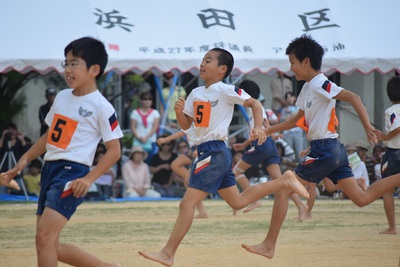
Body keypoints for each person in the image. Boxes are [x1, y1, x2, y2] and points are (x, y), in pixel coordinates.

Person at [138, 47, 309, 266]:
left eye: (208, 60)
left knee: (186, 204)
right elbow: (186, 126)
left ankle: (168, 253)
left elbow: (255, 103)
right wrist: (180, 114)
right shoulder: (195, 93)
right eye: (202, 60)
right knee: (237, 202)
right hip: (209, 152)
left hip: (214, 152)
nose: (202, 64)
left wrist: (258, 127)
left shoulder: (225, 89)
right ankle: (283, 181)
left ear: (222, 69)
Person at [244, 34, 400, 260]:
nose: (291, 68)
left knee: (283, 189)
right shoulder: (308, 88)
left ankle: (269, 245)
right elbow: (297, 120)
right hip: (331, 149)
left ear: (306, 62)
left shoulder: (320, 83)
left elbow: (354, 97)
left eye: (293, 63)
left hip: (326, 149)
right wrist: (267, 131)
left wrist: (367, 126)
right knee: (362, 199)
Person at [1, 36, 122, 267]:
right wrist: (24, 159)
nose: (67, 69)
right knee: (49, 244)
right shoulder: (62, 97)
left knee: (44, 238)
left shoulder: (101, 106)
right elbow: (49, 136)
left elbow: (114, 151)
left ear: (94, 69)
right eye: (66, 63)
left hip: (72, 174)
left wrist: (88, 179)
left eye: (74, 63)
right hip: (50, 169)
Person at [158, 127, 209, 218]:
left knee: (189, 182)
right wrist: (166, 139)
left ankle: (202, 210)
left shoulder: (197, 116)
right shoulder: (190, 117)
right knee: (176, 165)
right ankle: (201, 209)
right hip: (195, 147)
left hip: (201, 147)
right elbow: (183, 132)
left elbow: (207, 133)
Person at [373, 76, 400, 235]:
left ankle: (392, 227)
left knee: (388, 190)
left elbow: (397, 127)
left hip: (394, 153)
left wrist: (384, 137)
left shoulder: (391, 111)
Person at [130, 91, 160, 163]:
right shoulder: (135, 112)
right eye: (145, 99)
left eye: (150, 99)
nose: (147, 101)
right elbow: (133, 127)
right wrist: (139, 137)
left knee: (150, 160)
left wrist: (146, 137)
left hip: (151, 140)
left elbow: (155, 127)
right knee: (137, 160)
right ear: (141, 100)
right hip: (138, 140)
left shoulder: (155, 112)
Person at [0, 123, 30, 194]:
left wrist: (22, 139)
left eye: (13, 131)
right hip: (4, 172)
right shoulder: (4, 142)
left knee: (20, 191)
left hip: (16, 171)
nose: (12, 133)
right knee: (1, 193)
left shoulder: (19, 142)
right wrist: (3, 137)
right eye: (9, 131)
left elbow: (27, 152)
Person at [279, 92, 305, 162]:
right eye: (287, 98)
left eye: (291, 97)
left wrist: (289, 115)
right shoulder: (284, 109)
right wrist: (292, 116)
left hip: (298, 132)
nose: (289, 99)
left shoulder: (300, 107)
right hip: (287, 133)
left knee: (300, 152)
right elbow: (282, 120)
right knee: (289, 153)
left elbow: (300, 116)